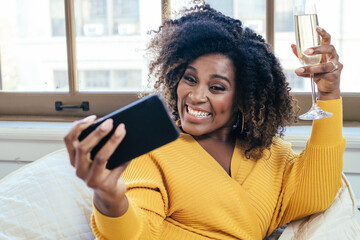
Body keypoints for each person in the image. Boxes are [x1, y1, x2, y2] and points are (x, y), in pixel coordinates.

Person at [64, 4, 345, 240]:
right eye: (190, 79)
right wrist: (108, 194)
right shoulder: (153, 152)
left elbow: (316, 193)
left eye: (217, 87)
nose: (196, 96)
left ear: (243, 97)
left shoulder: (270, 153)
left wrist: (329, 93)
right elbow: (134, 232)